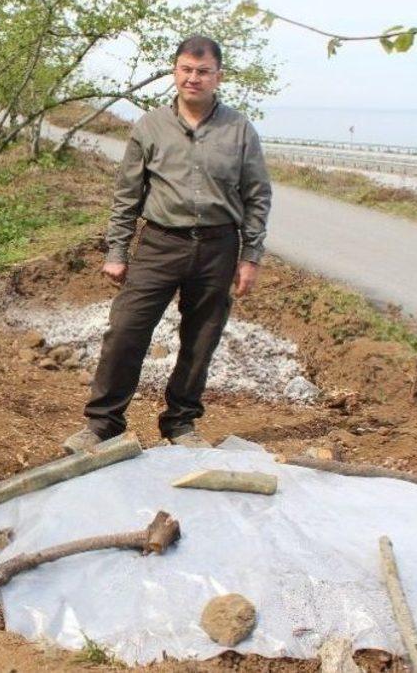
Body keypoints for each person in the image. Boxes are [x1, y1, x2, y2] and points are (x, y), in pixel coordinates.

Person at [63, 35, 273, 453]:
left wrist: (250, 256)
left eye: (203, 71)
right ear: (175, 72)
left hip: (217, 247)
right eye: (186, 69)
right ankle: (103, 423)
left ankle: (180, 422)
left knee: (201, 339)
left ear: (218, 77)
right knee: (126, 329)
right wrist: (117, 251)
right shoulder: (150, 127)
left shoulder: (239, 130)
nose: (193, 78)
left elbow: (257, 196)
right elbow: (127, 195)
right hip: (160, 243)